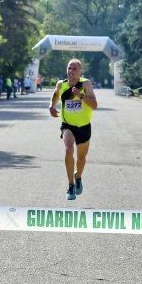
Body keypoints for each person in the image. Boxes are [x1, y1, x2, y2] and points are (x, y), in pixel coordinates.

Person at [48, 58, 98, 200]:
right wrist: (51, 105)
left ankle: (78, 177)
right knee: (69, 150)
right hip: (67, 125)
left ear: (80, 71)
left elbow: (94, 105)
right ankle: (70, 185)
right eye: (69, 68)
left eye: (74, 68)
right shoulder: (61, 84)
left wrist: (80, 96)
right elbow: (56, 94)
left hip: (83, 126)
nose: (71, 71)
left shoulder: (86, 84)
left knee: (81, 158)